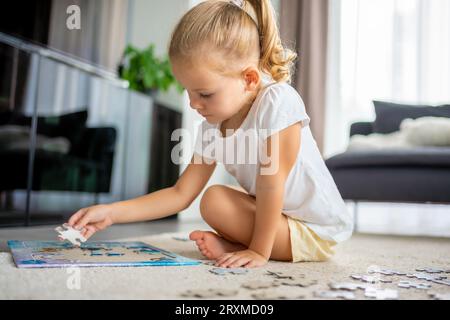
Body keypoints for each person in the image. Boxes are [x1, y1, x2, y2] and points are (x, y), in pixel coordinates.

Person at [67, 0, 353, 269]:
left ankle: (244, 246)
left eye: (204, 93)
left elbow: (271, 186)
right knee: (213, 200)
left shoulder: (278, 101)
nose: (193, 103)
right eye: (189, 91)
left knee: (223, 201)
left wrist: (258, 251)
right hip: (277, 218)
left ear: (249, 79)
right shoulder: (212, 128)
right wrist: (112, 213)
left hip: (314, 230)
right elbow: (180, 194)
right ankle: (236, 245)